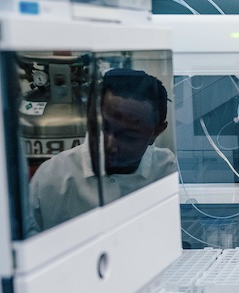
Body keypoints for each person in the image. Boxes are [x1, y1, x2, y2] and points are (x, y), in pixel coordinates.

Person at [28, 67, 176, 233]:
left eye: (128, 136)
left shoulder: (166, 171)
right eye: (104, 128)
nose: (109, 145)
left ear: (155, 133)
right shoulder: (52, 177)